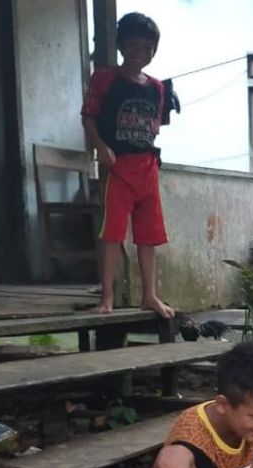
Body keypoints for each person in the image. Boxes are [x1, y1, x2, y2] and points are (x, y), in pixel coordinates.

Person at [81, 12, 175, 319]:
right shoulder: (105, 78)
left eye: (148, 48)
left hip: (147, 167)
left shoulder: (158, 87)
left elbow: (155, 126)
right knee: (113, 233)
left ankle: (149, 295)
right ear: (122, 46)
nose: (141, 54)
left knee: (149, 235)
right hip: (117, 167)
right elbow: (89, 116)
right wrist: (100, 147)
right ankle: (106, 297)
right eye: (134, 46)